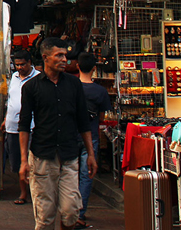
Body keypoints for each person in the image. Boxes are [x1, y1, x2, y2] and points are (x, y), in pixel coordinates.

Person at [19, 37, 96, 230]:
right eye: (59, 55)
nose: (65, 60)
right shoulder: (31, 87)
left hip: (69, 155)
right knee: (45, 215)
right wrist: (23, 161)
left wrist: (91, 154)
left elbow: (83, 121)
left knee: (70, 211)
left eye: (65, 56)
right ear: (45, 58)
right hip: (42, 156)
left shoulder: (74, 84)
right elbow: (24, 125)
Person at [76, 53, 111, 229]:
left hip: (72, 135)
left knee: (68, 173)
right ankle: (80, 213)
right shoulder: (100, 91)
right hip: (92, 137)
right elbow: (103, 117)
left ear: (77, 66)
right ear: (95, 69)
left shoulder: (72, 87)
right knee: (86, 174)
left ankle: (69, 211)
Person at [2, 50, 39, 206]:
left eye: (22, 64)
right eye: (17, 65)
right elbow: (10, 100)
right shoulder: (14, 79)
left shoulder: (38, 79)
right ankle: (23, 191)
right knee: (17, 161)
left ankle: (35, 192)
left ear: (30, 62)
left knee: (34, 160)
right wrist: (5, 119)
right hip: (13, 125)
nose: (19, 67)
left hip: (32, 126)